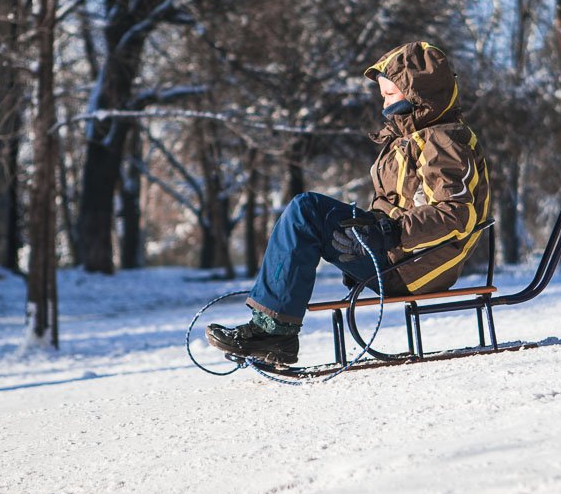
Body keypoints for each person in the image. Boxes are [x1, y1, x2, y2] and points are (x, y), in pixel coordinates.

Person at [206, 41, 491, 364]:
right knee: (308, 212)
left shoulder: (443, 140)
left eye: (390, 94)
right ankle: (272, 328)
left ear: (417, 94)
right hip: (402, 256)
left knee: (306, 211)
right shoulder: (409, 139)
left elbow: (456, 214)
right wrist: (368, 231)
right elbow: (396, 204)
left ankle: (274, 332)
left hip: (418, 265)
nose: (383, 101)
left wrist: (388, 232)